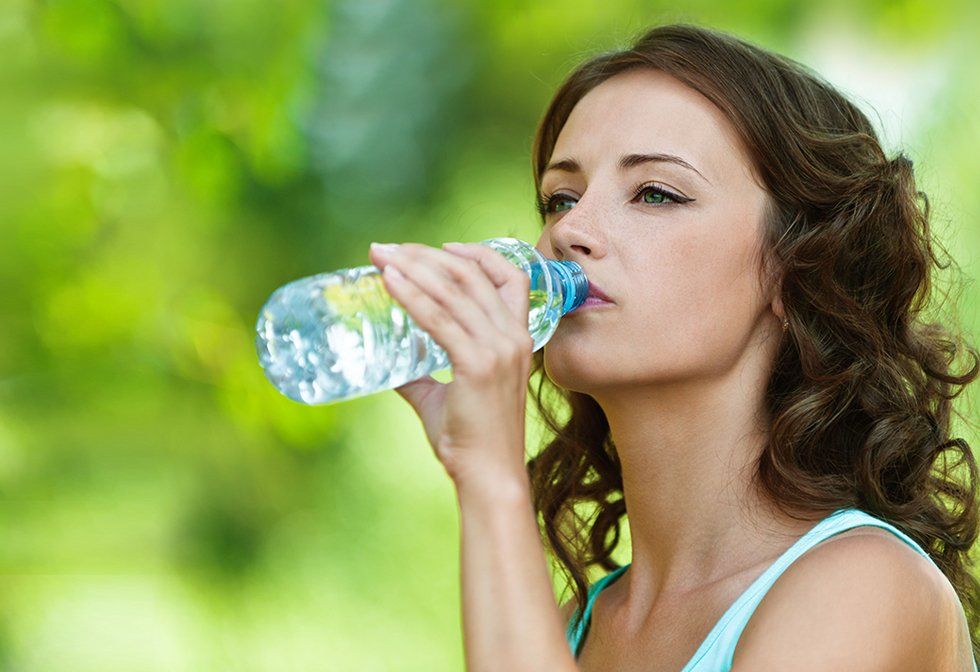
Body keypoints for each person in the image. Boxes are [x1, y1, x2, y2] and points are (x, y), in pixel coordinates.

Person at [368, 22, 979, 671]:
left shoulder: (867, 586)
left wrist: (491, 477)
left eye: (655, 193)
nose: (570, 229)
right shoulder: (574, 630)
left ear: (794, 267)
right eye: (559, 198)